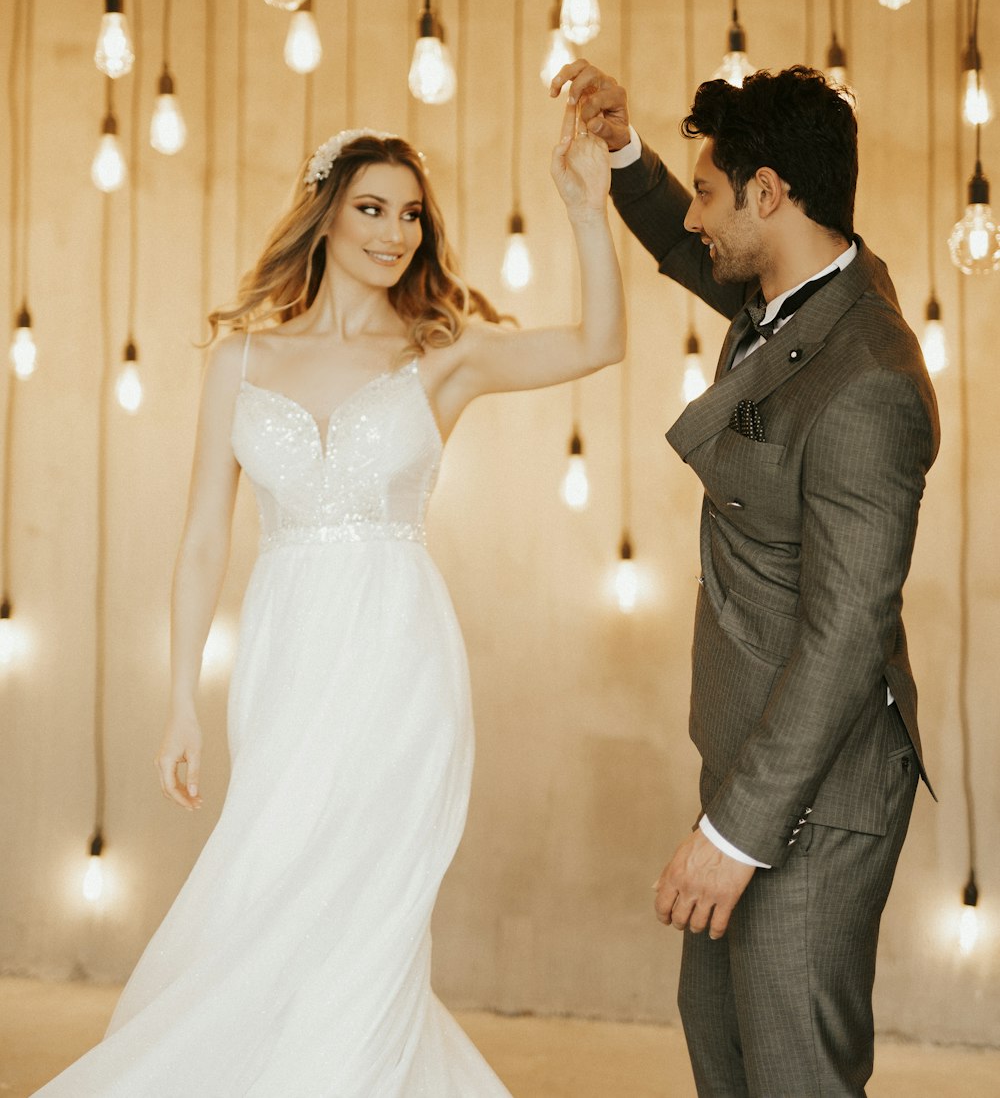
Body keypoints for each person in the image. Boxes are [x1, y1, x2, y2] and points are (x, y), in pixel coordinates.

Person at [35, 105, 622, 1097]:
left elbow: (600, 342)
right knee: (273, 886)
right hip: (286, 652)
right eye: (372, 209)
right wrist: (182, 696)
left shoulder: (442, 353)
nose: (394, 233)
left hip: (400, 659)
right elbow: (201, 540)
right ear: (327, 215)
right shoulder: (241, 359)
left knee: (371, 907)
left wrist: (583, 208)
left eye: (410, 216)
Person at [551, 60, 938, 1098]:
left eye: (711, 192)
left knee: (790, 1074)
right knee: (720, 1043)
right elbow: (688, 243)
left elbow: (848, 628)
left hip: (812, 787)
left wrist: (734, 831)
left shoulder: (867, 382)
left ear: (770, 193)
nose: (700, 221)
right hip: (754, 756)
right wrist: (623, 153)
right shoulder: (798, 283)